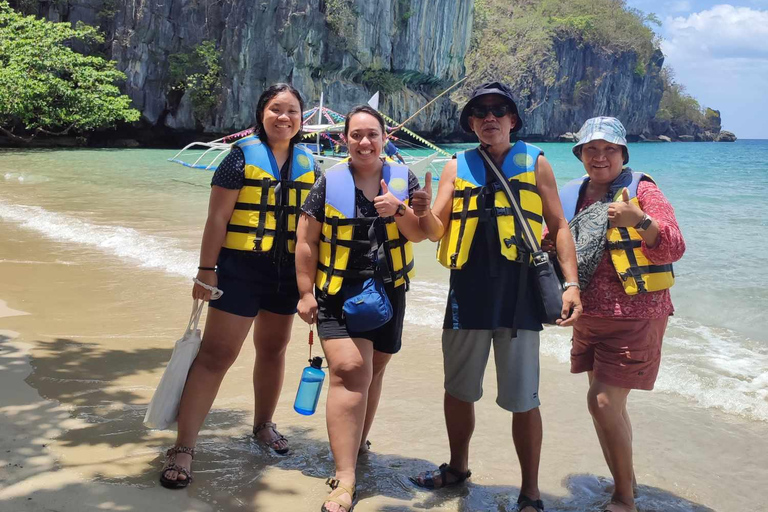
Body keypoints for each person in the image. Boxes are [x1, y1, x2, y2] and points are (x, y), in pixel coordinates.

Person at [408, 82, 582, 512]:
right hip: (466, 293)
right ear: (471, 123)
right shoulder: (456, 165)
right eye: (481, 111)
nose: (490, 117)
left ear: (513, 120)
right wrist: (421, 210)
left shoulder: (535, 162)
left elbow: (559, 225)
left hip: (519, 293)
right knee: (459, 390)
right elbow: (436, 231)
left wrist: (572, 284)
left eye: (499, 110)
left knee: (524, 398)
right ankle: (457, 467)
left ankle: (531, 491)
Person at [159, 83, 317, 489]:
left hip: (285, 273)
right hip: (240, 267)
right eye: (276, 109)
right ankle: (184, 447)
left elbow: (315, 228)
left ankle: (263, 424)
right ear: (262, 113)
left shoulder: (309, 164)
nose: (285, 118)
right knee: (216, 355)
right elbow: (217, 219)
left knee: (273, 350)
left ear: (303, 119)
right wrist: (205, 270)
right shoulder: (238, 159)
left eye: (293, 111)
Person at [295, 105, 427, 512]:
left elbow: (422, 234)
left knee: (375, 369)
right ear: (344, 140)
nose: (364, 142)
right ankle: (345, 477)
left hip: (389, 291)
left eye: (372, 134)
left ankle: (357, 443)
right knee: (352, 370)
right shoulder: (328, 182)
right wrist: (305, 292)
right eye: (356, 135)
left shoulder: (404, 180)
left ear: (386, 138)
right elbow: (306, 241)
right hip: (337, 290)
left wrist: (400, 208)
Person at [555, 117, 685, 512]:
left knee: (604, 403)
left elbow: (674, 245)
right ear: (579, 155)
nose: (599, 157)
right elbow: (554, 242)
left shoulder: (642, 189)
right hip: (589, 316)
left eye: (609, 149)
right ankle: (624, 484)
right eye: (591, 150)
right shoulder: (571, 194)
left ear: (623, 153)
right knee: (606, 404)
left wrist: (640, 221)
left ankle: (625, 499)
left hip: (637, 314)